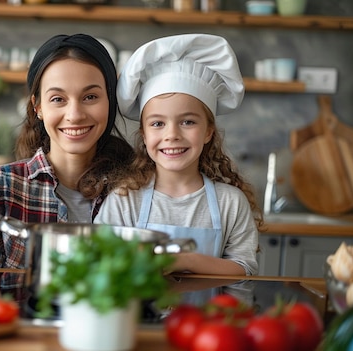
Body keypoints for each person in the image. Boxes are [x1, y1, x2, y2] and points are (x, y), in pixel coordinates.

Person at [0, 33, 134, 290]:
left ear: (110, 101)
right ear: (37, 107)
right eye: (58, 99)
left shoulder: (136, 188)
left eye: (90, 97)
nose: (75, 114)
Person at [95, 34, 262, 276]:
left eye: (187, 121)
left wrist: (185, 261)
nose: (172, 135)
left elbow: (244, 269)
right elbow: (101, 263)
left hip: (207, 314)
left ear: (208, 131)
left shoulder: (231, 203)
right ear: (143, 134)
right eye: (157, 124)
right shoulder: (125, 200)